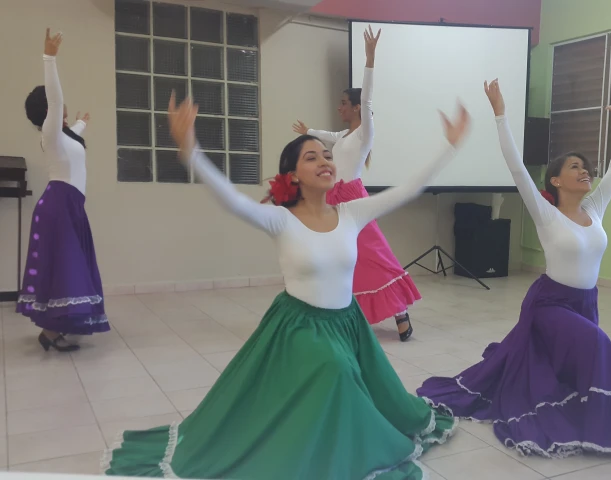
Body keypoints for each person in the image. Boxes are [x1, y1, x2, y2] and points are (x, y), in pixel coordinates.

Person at [103, 84, 471, 478]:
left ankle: (339, 439)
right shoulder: (281, 219)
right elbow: (231, 198)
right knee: (333, 371)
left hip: (348, 325)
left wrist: (448, 148)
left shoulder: (353, 212)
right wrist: (190, 150)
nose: (325, 161)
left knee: (368, 386)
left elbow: (407, 190)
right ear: (292, 174)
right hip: (300, 328)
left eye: (327, 155)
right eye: (312, 157)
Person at [417, 80, 611, 458]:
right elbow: (516, 166)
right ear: (555, 180)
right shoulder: (546, 214)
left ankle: (594, 410)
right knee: (599, 344)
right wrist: (501, 114)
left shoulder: (595, 208)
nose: (586, 171)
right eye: (576, 167)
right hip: (550, 306)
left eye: (587, 168)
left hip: (586, 304)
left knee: (569, 369)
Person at [292, 27, 420, 341]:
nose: (339, 107)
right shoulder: (343, 137)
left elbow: (368, 96)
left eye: (343, 103)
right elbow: (327, 137)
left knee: (373, 254)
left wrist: (370, 59)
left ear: (355, 107)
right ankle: (342, 311)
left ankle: (400, 310)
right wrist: (308, 129)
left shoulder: (365, 134)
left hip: (354, 198)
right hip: (334, 200)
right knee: (341, 257)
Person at [17, 28, 109, 352]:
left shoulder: (65, 135)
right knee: (67, 267)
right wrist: (49, 58)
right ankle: (51, 332)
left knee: (69, 267)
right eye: (55, 106)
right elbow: (55, 99)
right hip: (58, 205)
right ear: (47, 112)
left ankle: (52, 331)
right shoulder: (51, 132)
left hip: (70, 206)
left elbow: (74, 136)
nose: (61, 105)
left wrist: (82, 122)